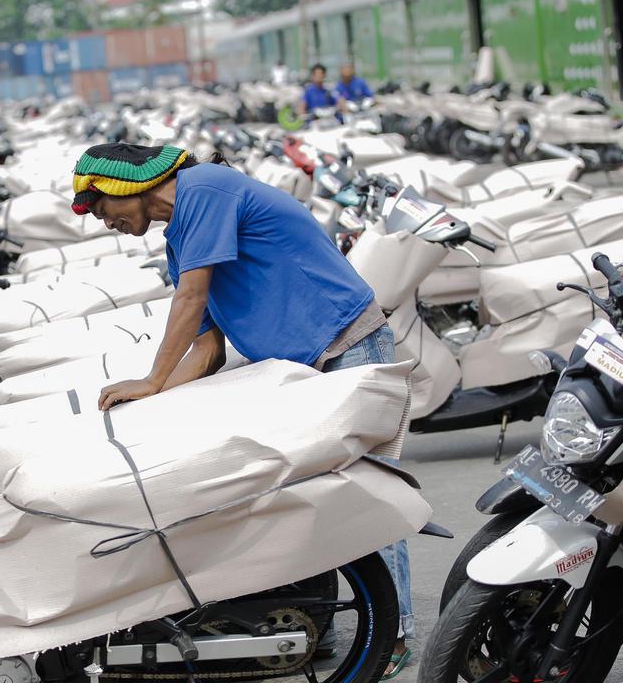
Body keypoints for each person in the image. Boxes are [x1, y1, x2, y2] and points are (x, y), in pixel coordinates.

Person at [71, 143, 415, 677]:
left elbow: (190, 300)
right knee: (311, 492)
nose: (104, 222)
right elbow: (207, 347)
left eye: (100, 208)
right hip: (303, 364)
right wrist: (152, 400)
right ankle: (316, 623)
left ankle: (393, 634)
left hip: (346, 343)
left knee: (364, 493)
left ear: (124, 187)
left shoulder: (204, 189)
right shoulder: (180, 236)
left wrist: (152, 379)